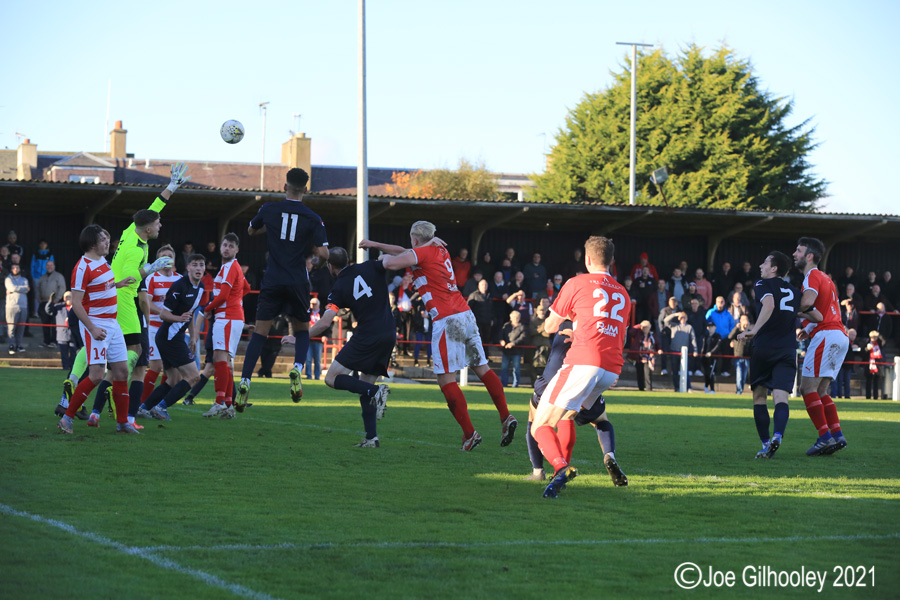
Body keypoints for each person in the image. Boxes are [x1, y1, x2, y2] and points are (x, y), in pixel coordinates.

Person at [360, 221, 517, 450]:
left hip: (446, 319)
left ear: (415, 239)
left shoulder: (422, 252)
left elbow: (393, 262)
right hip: (465, 314)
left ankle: (470, 434)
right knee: (481, 367)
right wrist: (374, 244)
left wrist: (378, 259)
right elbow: (404, 251)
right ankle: (506, 417)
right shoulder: (439, 248)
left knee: (445, 379)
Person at [82, 163, 190, 429]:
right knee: (134, 356)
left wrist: (171, 189)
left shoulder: (133, 231)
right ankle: (114, 384)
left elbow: (152, 209)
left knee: (132, 358)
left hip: (119, 301)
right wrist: (151, 268)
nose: (160, 224)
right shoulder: (135, 251)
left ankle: (109, 399)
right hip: (125, 302)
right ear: (149, 229)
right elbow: (132, 279)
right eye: (158, 223)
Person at [530, 236, 630, 499]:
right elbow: (622, 335)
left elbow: (550, 327)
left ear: (587, 260)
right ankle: (602, 456)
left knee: (539, 424)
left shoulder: (576, 283)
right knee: (573, 416)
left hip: (583, 362)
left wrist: (570, 323)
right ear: (611, 261)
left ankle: (560, 468)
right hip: (611, 369)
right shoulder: (623, 292)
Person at [238, 168, 330, 407]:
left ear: (284, 187)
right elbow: (324, 254)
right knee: (300, 330)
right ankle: (298, 369)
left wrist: (273, 229)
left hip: (273, 280)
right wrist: (315, 263)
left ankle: (246, 380)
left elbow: (251, 230)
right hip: (298, 281)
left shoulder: (268, 209)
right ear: (306, 190)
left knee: (259, 332)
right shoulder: (313, 218)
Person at [297, 247, 392, 447]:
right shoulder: (370, 266)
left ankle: (377, 392)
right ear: (349, 260)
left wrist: (300, 336)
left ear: (331, 266)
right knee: (364, 386)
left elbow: (324, 323)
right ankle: (371, 438)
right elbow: (399, 256)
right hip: (389, 333)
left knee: (331, 378)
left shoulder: (339, 287)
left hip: (367, 335)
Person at [523, 321, 627, 488]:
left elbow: (548, 326)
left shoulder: (569, 319)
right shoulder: (598, 319)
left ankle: (544, 470)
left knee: (538, 419)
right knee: (599, 419)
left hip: (560, 377)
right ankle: (609, 455)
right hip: (590, 376)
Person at [57, 225, 138, 434]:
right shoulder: (82, 267)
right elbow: (76, 303)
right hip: (97, 325)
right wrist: (92, 328)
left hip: (113, 324)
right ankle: (67, 418)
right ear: (92, 243)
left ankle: (122, 423)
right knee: (96, 375)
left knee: (121, 371)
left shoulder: (102, 261)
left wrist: (118, 284)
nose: (107, 243)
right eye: (103, 239)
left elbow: (103, 286)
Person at [738, 251, 802, 458]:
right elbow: (813, 313)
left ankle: (766, 443)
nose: (761, 266)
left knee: (759, 397)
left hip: (764, 347)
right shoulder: (794, 291)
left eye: (765, 263)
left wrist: (754, 330)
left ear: (774, 269)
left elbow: (770, 304)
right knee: (782, 396)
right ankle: (778, 436)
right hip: (787, 349)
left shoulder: (762, 285)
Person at [793, 237, 849, 456]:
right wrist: (807, 329)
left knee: (807, 389)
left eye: (798, 251)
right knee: (821, 389)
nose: (794, 254)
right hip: (838, 334)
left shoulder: (812, 276)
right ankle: (836, 435)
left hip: (826, 335)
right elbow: (827, 309)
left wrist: (786, 309)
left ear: (809, 256)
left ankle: (824, 437)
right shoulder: (826, 278)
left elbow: (807, 302)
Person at [138, 253, 206, 420]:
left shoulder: (201, 287)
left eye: (201, 265)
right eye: (195, 265)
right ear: (188, 268)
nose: (198, 268)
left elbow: (190, 313)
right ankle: (161, 408)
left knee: (174, 379)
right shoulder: (179, 286)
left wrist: (192, 336)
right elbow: (164, 315)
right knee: (194, 377)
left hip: (175, 336)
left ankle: (144, 407)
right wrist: (178, 318)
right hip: (169, 337)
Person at [202, 233, 250, 418]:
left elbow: (222, 296)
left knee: (219, 359)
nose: (227, 248)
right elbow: (245, 288)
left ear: (236, 250)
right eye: (225, 245)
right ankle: (229, 405)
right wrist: (235, 302)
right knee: (225, 362)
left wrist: (208, 308)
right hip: (230, 317)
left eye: (231, 246)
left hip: (227, 318)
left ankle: (220, 402)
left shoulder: (230, 266)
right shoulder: (230, 267)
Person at [140, 245, 181, 405]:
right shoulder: (152, 278)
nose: (166, 259)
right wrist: (165, 313)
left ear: (174, 259)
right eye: (163, 256)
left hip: (172, 330)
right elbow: (147, 304)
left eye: (169, 256)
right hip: (154, 328)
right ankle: (141, 404)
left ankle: (158, 404)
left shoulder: (179, 279)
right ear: (158, 260)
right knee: (156, 366)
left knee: (173, 370)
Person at [663, 311, 698, 391]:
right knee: (675, 371)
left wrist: (695, 350)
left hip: (684, 353)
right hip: (674, 351)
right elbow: (666, 321)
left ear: (686, 318)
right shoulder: (674, 326)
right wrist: (675, 314)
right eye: (681, 317)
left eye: (684, 317)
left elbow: (693, 339)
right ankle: (676, 387)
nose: (682, 319)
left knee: (685, 370)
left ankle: (688, 387)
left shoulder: (689, 327)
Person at [36, 259, 66, 348]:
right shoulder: (42, 277)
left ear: (54, 266)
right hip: (43, 302)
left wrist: (57, 299)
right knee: (45, 323)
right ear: (45, 267)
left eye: (51, 265)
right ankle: (46, 341)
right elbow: (37, 288)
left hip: (54, 303)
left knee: (54, 323)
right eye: (48, 265)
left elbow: (62, 288)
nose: (49, 267)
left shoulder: (59, 276)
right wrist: (38, 298)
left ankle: (54, 341)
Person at [627, 320, 661, 391]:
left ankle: (649, 388)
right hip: (639, 356)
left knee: (648, 374)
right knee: (640, 373)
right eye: (644, 327)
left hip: (649, 357)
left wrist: (659, 349)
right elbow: (630, 332)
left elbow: (657, 343)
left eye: (647, 327)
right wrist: (639, 325)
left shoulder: (652, 335)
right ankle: (641, 388)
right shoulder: (638, 333)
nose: (645, 329)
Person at [5, 263, 29, 353]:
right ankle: (11, 346)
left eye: (17, 267)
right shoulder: (8, 279)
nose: (15, 269)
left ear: (19, 269)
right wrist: (23, 288)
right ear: (11, 269)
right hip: (11, 307)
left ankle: (18, 345)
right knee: (11, 327)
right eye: (13, 268)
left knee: (21, 328)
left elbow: (26, 289)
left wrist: (15, 289)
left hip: (23, 306)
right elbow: (12, 287)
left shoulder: (24, 279)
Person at [499, 310, 526, 387]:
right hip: (506, 351)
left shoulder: (522, 327)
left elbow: (522, 338)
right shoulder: (506, 326)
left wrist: (513, 343)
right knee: (504, 369)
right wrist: (501, 341)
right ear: (510, 318)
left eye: (517, 317)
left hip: (516, 351)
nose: (515, 319)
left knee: (516, 369)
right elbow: (500, 335)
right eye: (514, 317)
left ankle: (515, 384)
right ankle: (504, 384)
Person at [728, 314, 752, 394]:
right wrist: (736, 327)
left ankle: (740, 390)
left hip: (747, 357)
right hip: (738, 356)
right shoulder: (737, 332)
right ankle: (739, 390)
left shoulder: (749, 333)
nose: (745, 325)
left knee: (744, 376)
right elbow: (730, 336)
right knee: (739, 375)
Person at [305, 297, 324, 380]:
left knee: (317, 360)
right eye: (311, 304)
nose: (313, 306)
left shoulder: (323, 313)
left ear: (318, 305)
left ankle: (317, 376)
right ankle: (308, 375)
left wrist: (325, 335)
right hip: (308, 338)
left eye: (315, 304)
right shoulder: (307, 313)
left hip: (318, 339)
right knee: (308, 359)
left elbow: (326, 325)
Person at [864, 331, 884, 399]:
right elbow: (863, 353)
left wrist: (879, 336)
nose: (873, 338)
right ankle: (868, 396)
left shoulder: (879, 344)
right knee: (868, 381)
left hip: (877, 365)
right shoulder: (867, 343)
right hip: (869, 364)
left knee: (876, 382)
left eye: (875, 337)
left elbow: (883, 342)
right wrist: (867, 349)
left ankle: (875, 397)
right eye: (872, 337)